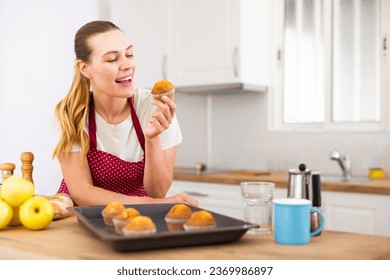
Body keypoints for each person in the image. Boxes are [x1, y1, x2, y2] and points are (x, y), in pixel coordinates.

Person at [53, 20, 198, 206]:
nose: (127, 65)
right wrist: (153, 204)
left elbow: (158, 192)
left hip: (133, 217)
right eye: (113, 59)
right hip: (83, 218)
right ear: (85, 68)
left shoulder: (156, 107)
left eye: (129, 54)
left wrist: (152, 139)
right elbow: (82, 193)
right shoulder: (73, 112)